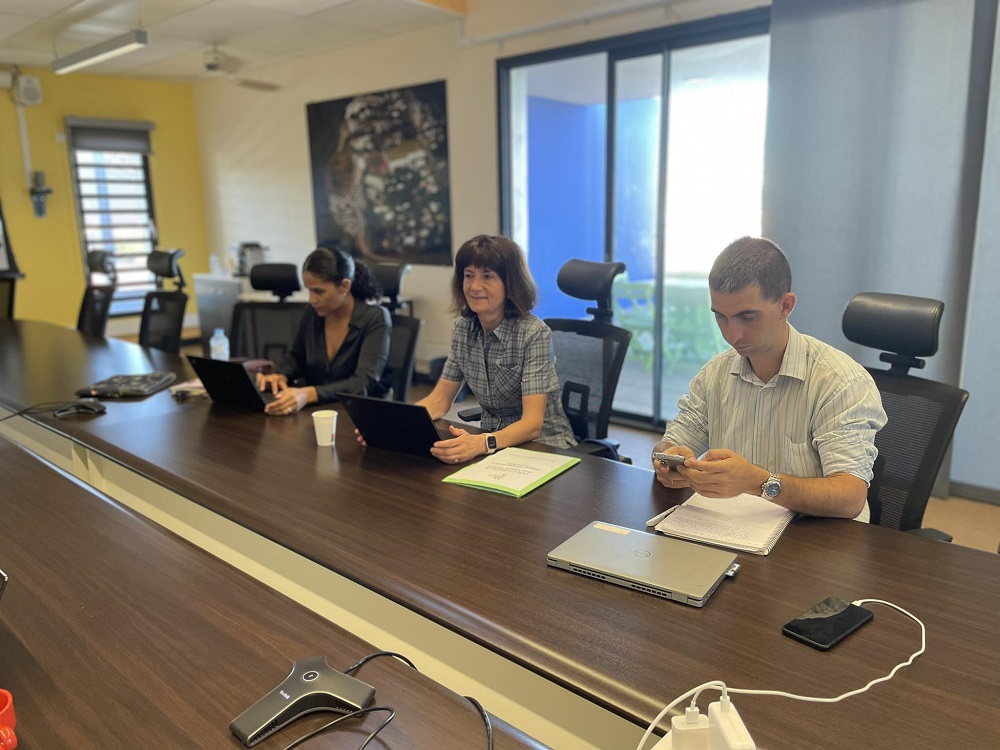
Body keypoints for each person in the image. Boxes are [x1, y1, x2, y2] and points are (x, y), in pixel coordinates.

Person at [651, 236, 887, 521]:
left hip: (818, 535)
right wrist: (668, 459)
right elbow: (670, 444)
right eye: (721, 317)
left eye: (747, 317)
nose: (731, 335)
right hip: (733, 527)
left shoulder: (841, 383)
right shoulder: (716, 373)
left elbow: (849, 498)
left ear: (785, 306)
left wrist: (759, 482)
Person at [413, 234, 576, 464]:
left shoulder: (534, 334)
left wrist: (482, 443)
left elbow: (532, 425)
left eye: (487, 276)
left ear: (510, 285)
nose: (474, 286)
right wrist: (393, 423)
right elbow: (439, 400)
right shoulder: (462, 329)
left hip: (544, 448)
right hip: (493, 446)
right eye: (469, 275)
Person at [257, 246, 390, 416]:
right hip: (317, 412)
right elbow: (297, 356)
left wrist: (310, 393)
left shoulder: (374, 318)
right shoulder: (313, 314)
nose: (312, 299)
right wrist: (280, 375)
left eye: (319, 291)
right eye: (309, 290)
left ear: (344, 286)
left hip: (359, 415)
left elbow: (363, 381)